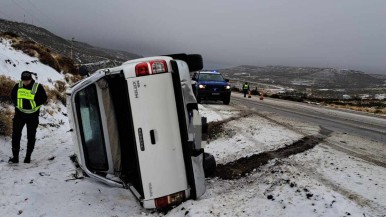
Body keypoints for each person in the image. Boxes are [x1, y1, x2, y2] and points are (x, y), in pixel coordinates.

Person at [9, 71, 47, 164]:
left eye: (27, 80)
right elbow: (12, 95)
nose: (26, 82)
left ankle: (28, 157)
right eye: (24, 80)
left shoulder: (38, 87)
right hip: (19, 115)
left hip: (32, 116)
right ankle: (15, 158)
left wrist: (34, 104)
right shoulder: (18, 86)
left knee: (31, 136)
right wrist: (17, 104)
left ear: (31, 79)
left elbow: (44, 98)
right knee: (16, 135)